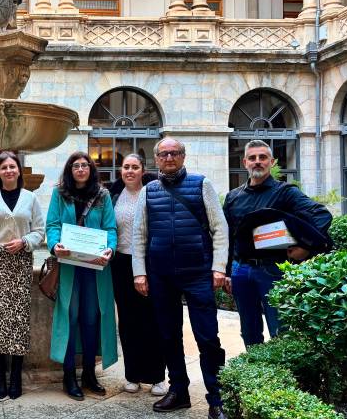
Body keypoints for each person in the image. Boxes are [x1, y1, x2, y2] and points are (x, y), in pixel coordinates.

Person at [132, 137, 229, 419]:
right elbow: (139, 234)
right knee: (168, 335)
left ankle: (216, 397)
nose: (169, 157)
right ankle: (179, 391)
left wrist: (219, 267)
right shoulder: (148, 191)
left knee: (208, 337)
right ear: (157, 158)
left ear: (183, 156)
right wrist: (140, 272)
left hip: (198, 273)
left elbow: (219, 229)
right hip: (161, 275)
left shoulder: (202, 184)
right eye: (164, 154)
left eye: (174, 153)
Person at [223, 139, 332, 347]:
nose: (257, 162)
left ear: (271, 162)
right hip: (241, 270)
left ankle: (281, 376)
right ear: (245, 162)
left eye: (263, 157)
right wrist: (227, 271)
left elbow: (321, 215)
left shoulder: (286, 193)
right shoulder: (233, 197)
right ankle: (256, 374)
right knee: (248, 331)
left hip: (273, 270)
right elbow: (228, 237)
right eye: (252, 158)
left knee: (279, 330)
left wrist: (306, 247)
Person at [0, 151, 45, 400]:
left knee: (18, 322)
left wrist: (24, 241)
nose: (9, 171)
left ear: (19, 171)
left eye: (13, 166)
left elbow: (40, 231)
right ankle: (0, 375)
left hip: (21, 263)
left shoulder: (30, 198)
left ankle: (16, 377)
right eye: (4, 168)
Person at [46, 151, 118, 401]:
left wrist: (110, 247)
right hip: (69, 267)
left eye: (84, 165)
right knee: (70, 316)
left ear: (91, 169)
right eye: (75, 165)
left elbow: (110, 227)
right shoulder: (59, 194)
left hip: (95, 268)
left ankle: (89, 373)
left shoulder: (102, 195)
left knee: (91, 319)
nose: (80, 169)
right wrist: (55, 245)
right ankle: (69, 376)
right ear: (69, 169)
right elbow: (52, 225)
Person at [108, 154, 167, 396]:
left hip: (149, 263)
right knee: (128, 321)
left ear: (143, 170)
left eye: (135, 167)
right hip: (121, 263)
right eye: (126, 167)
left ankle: (156, 377)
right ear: (120, 170)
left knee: (152, 320)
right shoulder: (113, 195)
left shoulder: (153, 192)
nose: (130, 171)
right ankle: (132, 375)